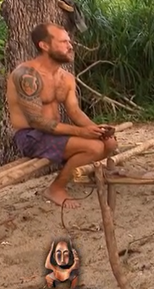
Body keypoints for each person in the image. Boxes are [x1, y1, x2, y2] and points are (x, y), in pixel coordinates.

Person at [5, 23, 118, 209]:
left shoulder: (66, 78)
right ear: (44, 45)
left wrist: (98, 131)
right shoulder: (26, 75)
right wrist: (84, 133)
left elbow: (74, 112)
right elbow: (37, 121)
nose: (70, 45)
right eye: (63, 41)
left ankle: (77, 172)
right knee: (94, 148)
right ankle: (56, 188)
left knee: (108, 144)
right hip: (31, 136)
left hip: (55, 133)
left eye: (69, 41)